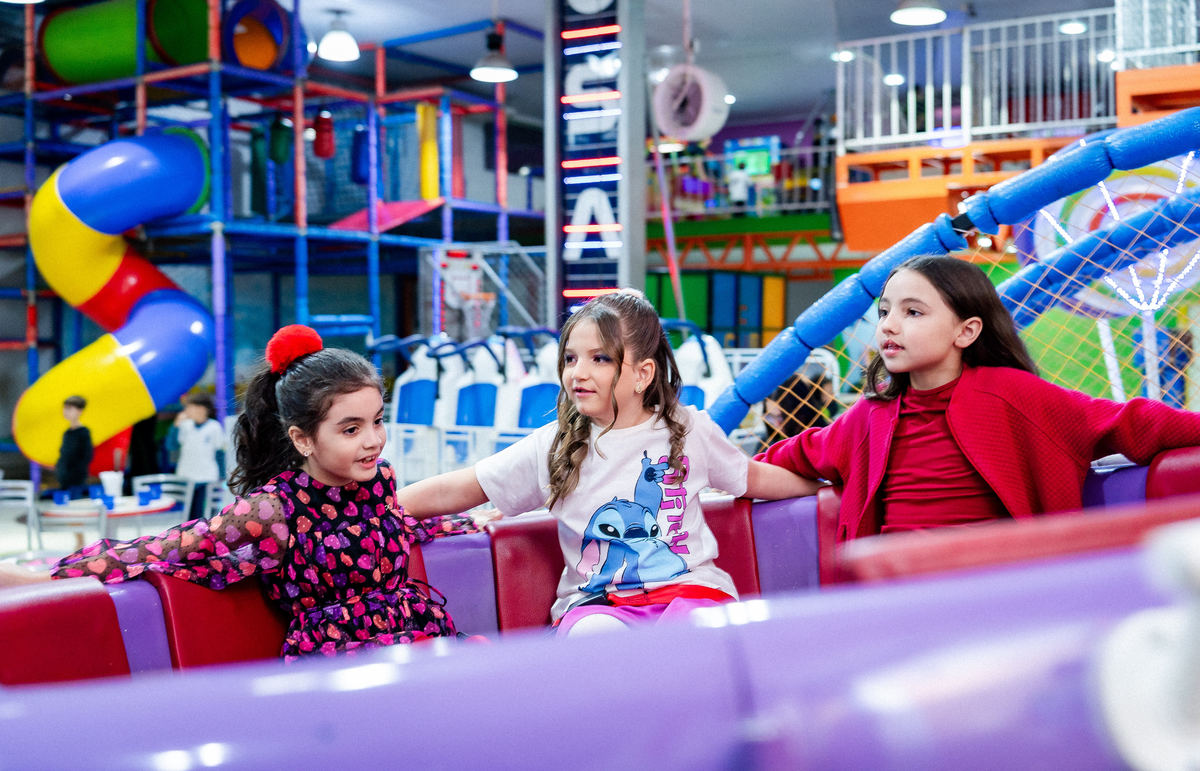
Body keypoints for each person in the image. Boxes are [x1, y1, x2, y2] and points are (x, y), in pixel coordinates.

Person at [0, 325, 479, 660]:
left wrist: (469, 522)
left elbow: (394, 524)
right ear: (303, 439)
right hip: (342, 658)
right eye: (351, 429)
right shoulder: (273, 509)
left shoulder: (379, 481)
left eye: (377, 421)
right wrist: (44, 578)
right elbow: (165, 549)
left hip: (416, 635)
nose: (373, 440)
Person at [397, 291, 818, 636]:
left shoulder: (689, 430)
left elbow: (753, 477)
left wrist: (823, 487)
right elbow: (463, 486)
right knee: (594, 639)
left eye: (600, 358)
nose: (578, 372)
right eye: (570, 358)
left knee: (698, 635)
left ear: (643, 374)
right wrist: (380, 504)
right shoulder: (553, 445)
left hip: (689, 592)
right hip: (600, 604)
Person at [756, 255, 1200, 542]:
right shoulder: (870, 416)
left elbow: (1133, 423)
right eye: (885, 311)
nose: (888, 325)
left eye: (913, 312)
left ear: (966, 331)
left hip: (987, 581)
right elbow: (789, 458)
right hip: (894, 588)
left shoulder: (1011, 395)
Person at [170, 392, 226, 519]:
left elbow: (220, 454)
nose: (186, 411)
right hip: (186, 478)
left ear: (202, 409)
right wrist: (176, 426)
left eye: (189, 407)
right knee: (187, 516)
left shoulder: (214, 427)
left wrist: (222, 477)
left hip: (207, 478)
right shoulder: (185, 426)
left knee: (204, 515)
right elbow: (171, 446)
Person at [761, 365, 836, 446]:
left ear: (799, 412)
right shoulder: (769, 443)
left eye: (780, 418)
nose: (776, 424)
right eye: (770, 418)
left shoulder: (822, 438)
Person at [55, 395, 93, 499]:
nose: (66, 412)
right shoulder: (67, 433)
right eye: (65, 408)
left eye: (70, 409)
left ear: (79, 411)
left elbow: (87, 456)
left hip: (77, 479)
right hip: (63, 478)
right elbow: (64, 454)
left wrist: (75, 472)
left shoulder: (84, 432)